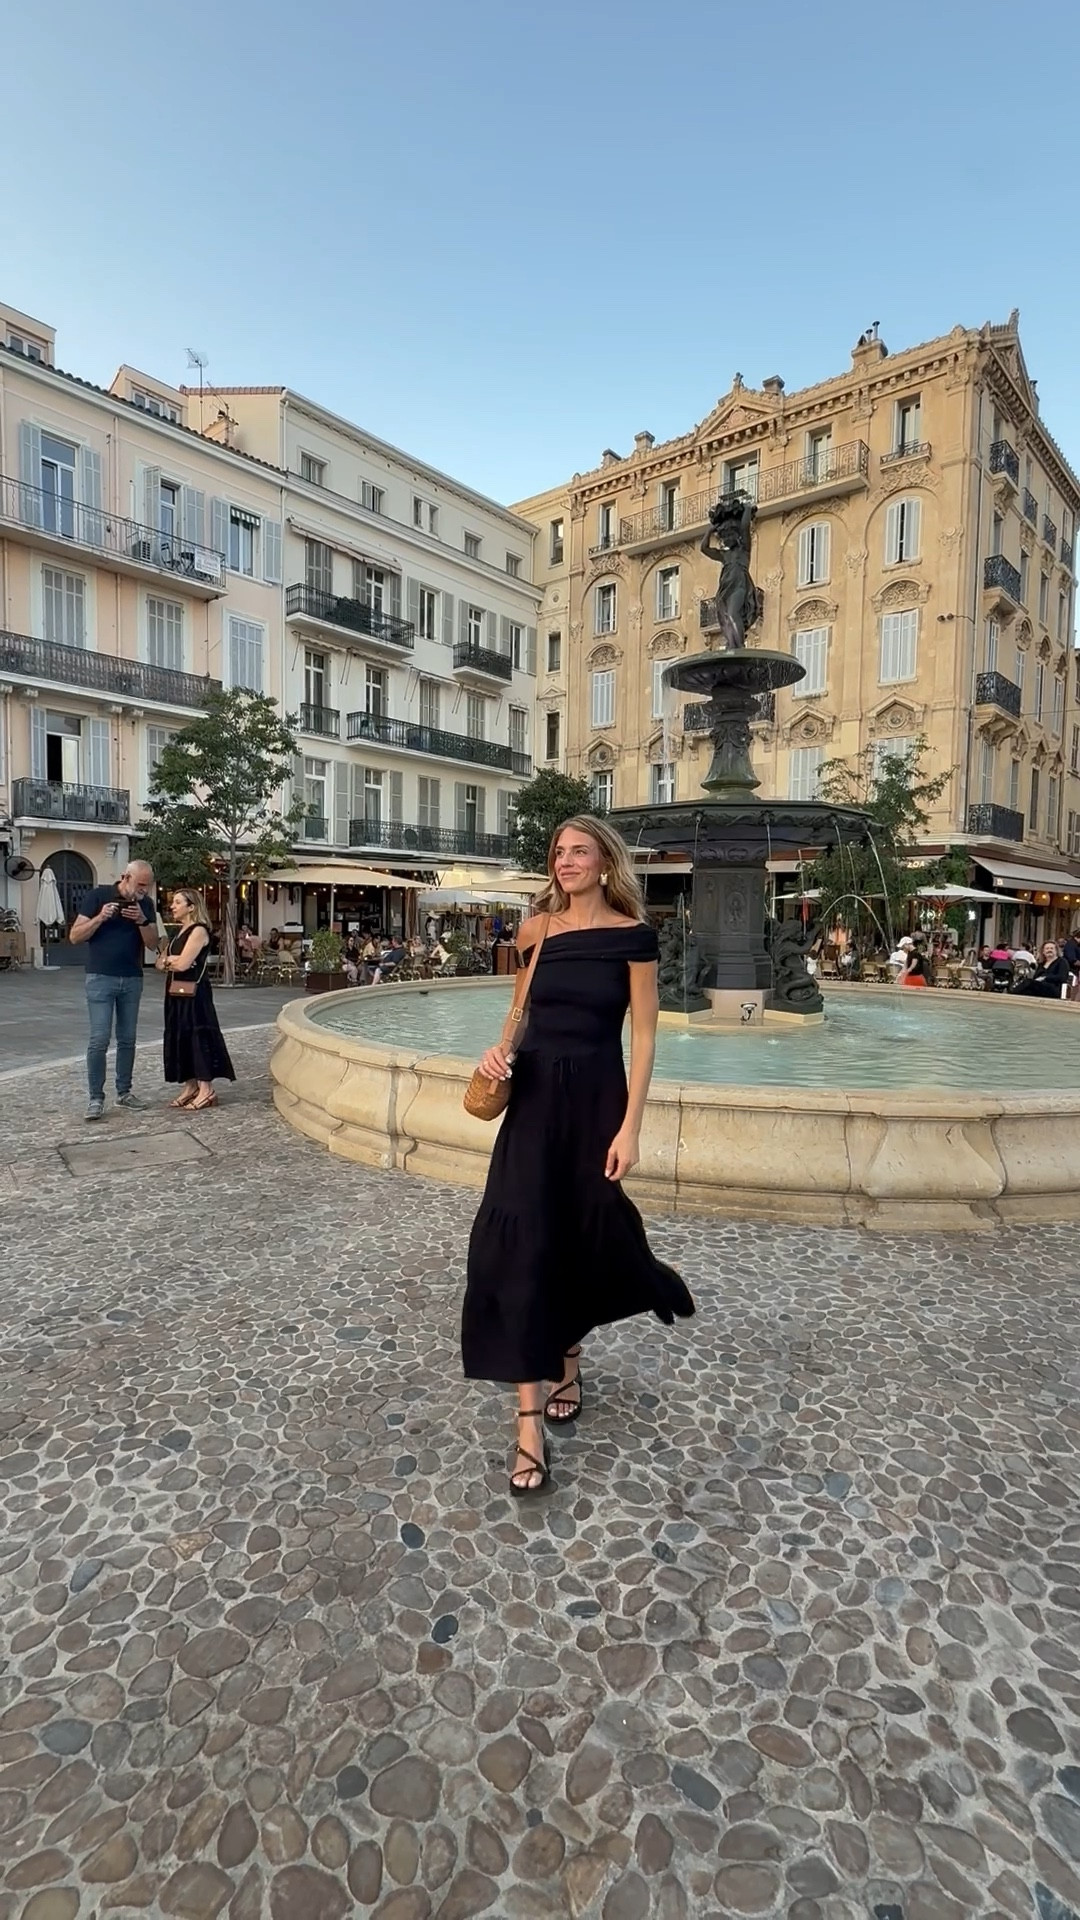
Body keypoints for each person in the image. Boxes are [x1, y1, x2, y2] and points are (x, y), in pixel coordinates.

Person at [461, 814, 695, 1499]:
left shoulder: (633, 937)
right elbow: (518, 1015)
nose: (566, 861)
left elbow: (645, 1040)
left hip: (596, 1103)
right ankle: (528, 1424)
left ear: (604, 862)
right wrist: (497, 1049)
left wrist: (631, 1128)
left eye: (579, 851)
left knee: (581, 1235)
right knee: (519, 1243)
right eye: (558, 852)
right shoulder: (536, 931)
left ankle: (569, 1353)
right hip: (533, 1102)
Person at [69, 859, 158, 1121]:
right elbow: (75, 936)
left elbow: (153, 945)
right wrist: (100, 917)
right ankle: (96, 1098)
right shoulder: (98, 896)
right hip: (100, 978)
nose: (144, 891)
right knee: (99, 1039)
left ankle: (124, 1092)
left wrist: (142, 921)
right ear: (125, 877)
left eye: (148, 886)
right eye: (141, 885)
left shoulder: (146, 905)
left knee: (128, 1039)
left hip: (131, 978)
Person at [156, 887, 236, 1110]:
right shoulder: (179, 933)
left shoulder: (199, 931)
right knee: (179, 1036)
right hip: (175, 992)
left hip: (194, 994)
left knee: (196, 1036)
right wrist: (172, 960)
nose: (172, 906)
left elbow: (180, 964)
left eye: (178, 902)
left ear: (191, 907)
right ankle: (190, 1085)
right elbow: (160, 963)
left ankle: (206, 1089)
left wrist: (172, 961)